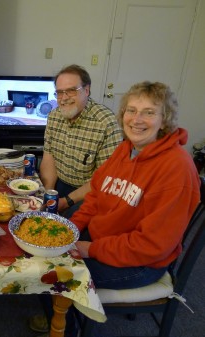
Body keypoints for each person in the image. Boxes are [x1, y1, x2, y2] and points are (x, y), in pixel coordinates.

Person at [37, 81, 201, 337]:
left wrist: (89, 248)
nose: (137, 119)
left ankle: (64, 325)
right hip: (108, 239)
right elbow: (95, 198)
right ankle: (59, 312)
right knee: (46, 245)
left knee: (56, 273)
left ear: (164, 119)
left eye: (149, 112)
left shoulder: (177, 168)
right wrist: (72, 229)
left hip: (141, 262)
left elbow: (151, 245)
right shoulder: (127, 149)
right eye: (131, 110)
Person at [39, 64, 122, 217]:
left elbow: (105, 178)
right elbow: (48, 158)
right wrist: (47, 195)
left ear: (86, 90)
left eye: (71, 91)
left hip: (89, 193)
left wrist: (66, 201)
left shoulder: (106, 123)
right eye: (59, 92)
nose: (63, 98)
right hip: (59, 185)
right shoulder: (54, 116)